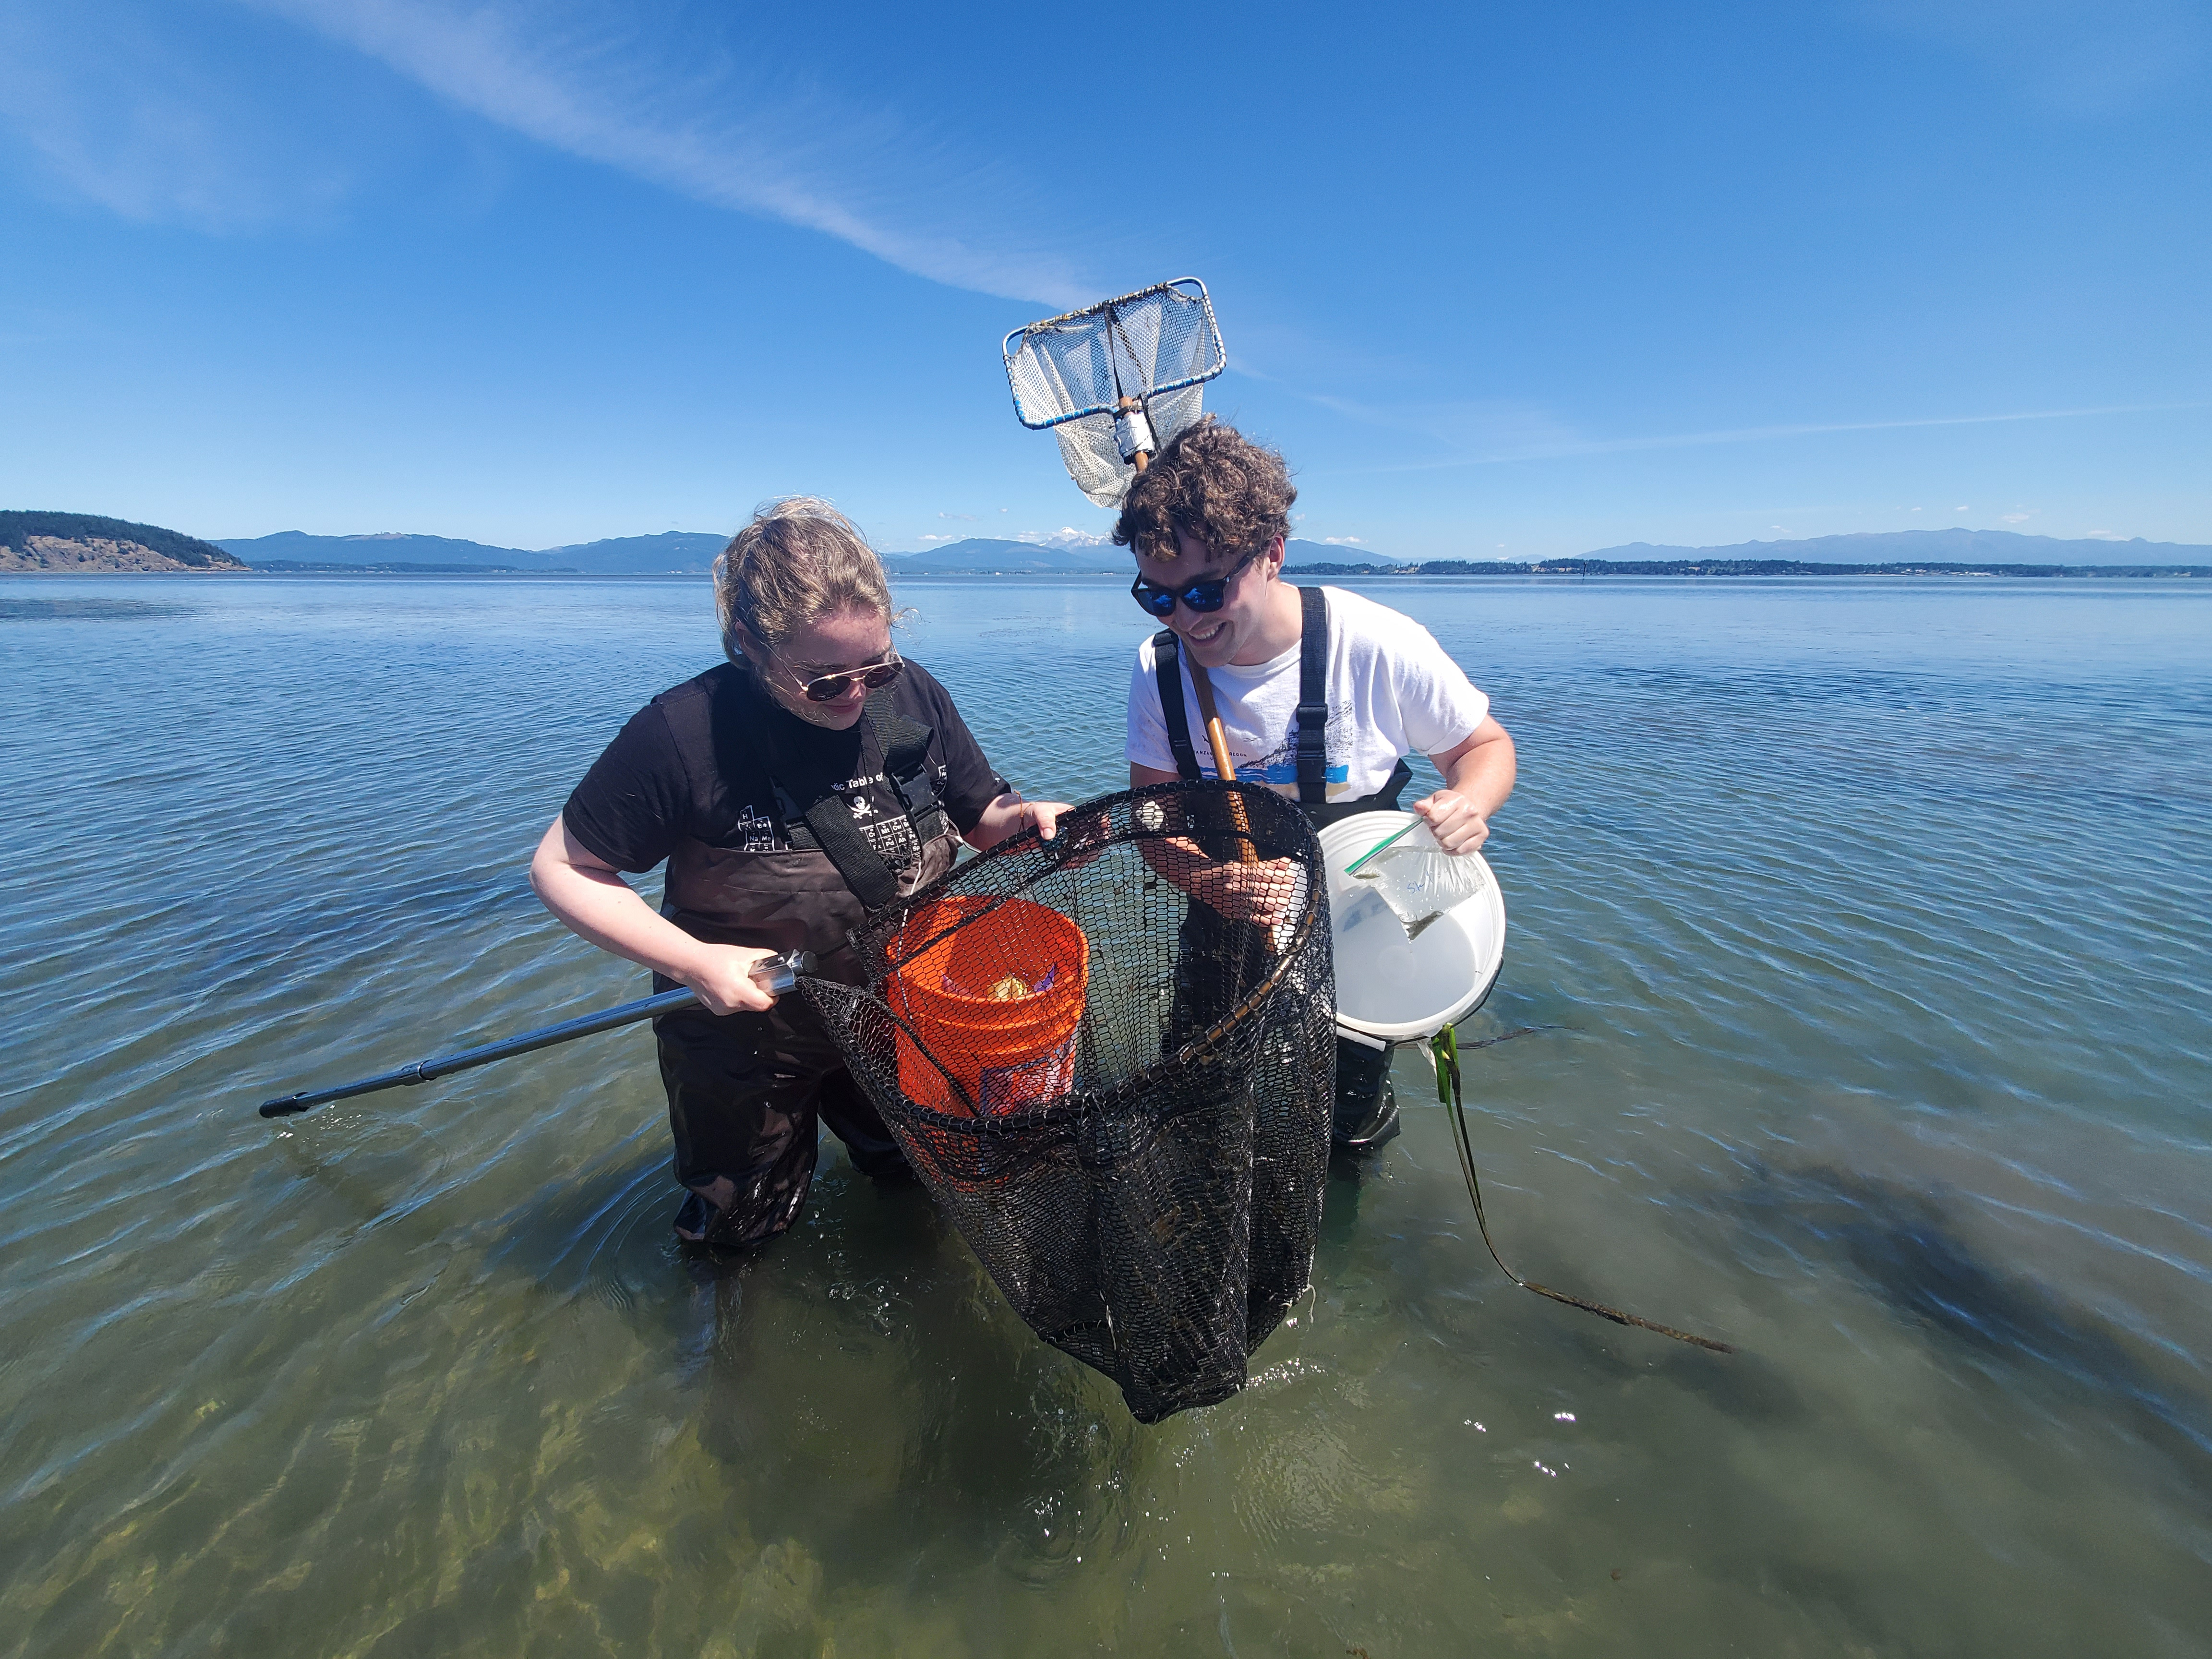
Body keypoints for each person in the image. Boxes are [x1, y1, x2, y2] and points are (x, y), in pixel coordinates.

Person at [530, 498, 1070, 1247]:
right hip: (746, 1038)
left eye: (874, 667)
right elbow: (562, 868)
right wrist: (692, 961)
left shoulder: (912, 695)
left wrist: (1025, 818)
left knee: (909, 1182)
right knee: (742, 1228)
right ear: (751, 645)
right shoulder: (682, 734)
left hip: (893, 1015)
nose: (856, 694)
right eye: (824, 681)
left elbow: (982, 814)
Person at [1120, 421, 1516, 1153]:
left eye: (1209, 590)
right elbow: (1152, 826)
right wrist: (1211, 880)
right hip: (1225, 917)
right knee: (1196, 1100)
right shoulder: (1160, 667)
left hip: (1366, 923)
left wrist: (1469, 803)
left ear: (1272, 552)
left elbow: (1485, 749)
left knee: (1343, 1120)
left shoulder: (1378, 643)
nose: (1188, 619)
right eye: (1160, 597)